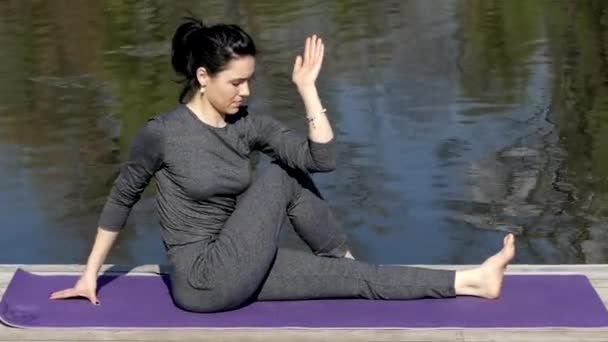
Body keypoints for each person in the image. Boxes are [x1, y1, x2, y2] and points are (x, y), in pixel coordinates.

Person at [50, 17, 515, 313]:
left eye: (250, 81)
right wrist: (89, 275)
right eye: (236, 82)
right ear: (203, 77)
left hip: (242, 264)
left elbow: (323, 160)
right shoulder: (162, 133)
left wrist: (308, 89)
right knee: (279, 177)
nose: (245, 92)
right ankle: (342, 258)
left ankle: (474, 280)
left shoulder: (246, 126)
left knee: (360, 281)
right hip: (200, 278)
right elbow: (121, 198)